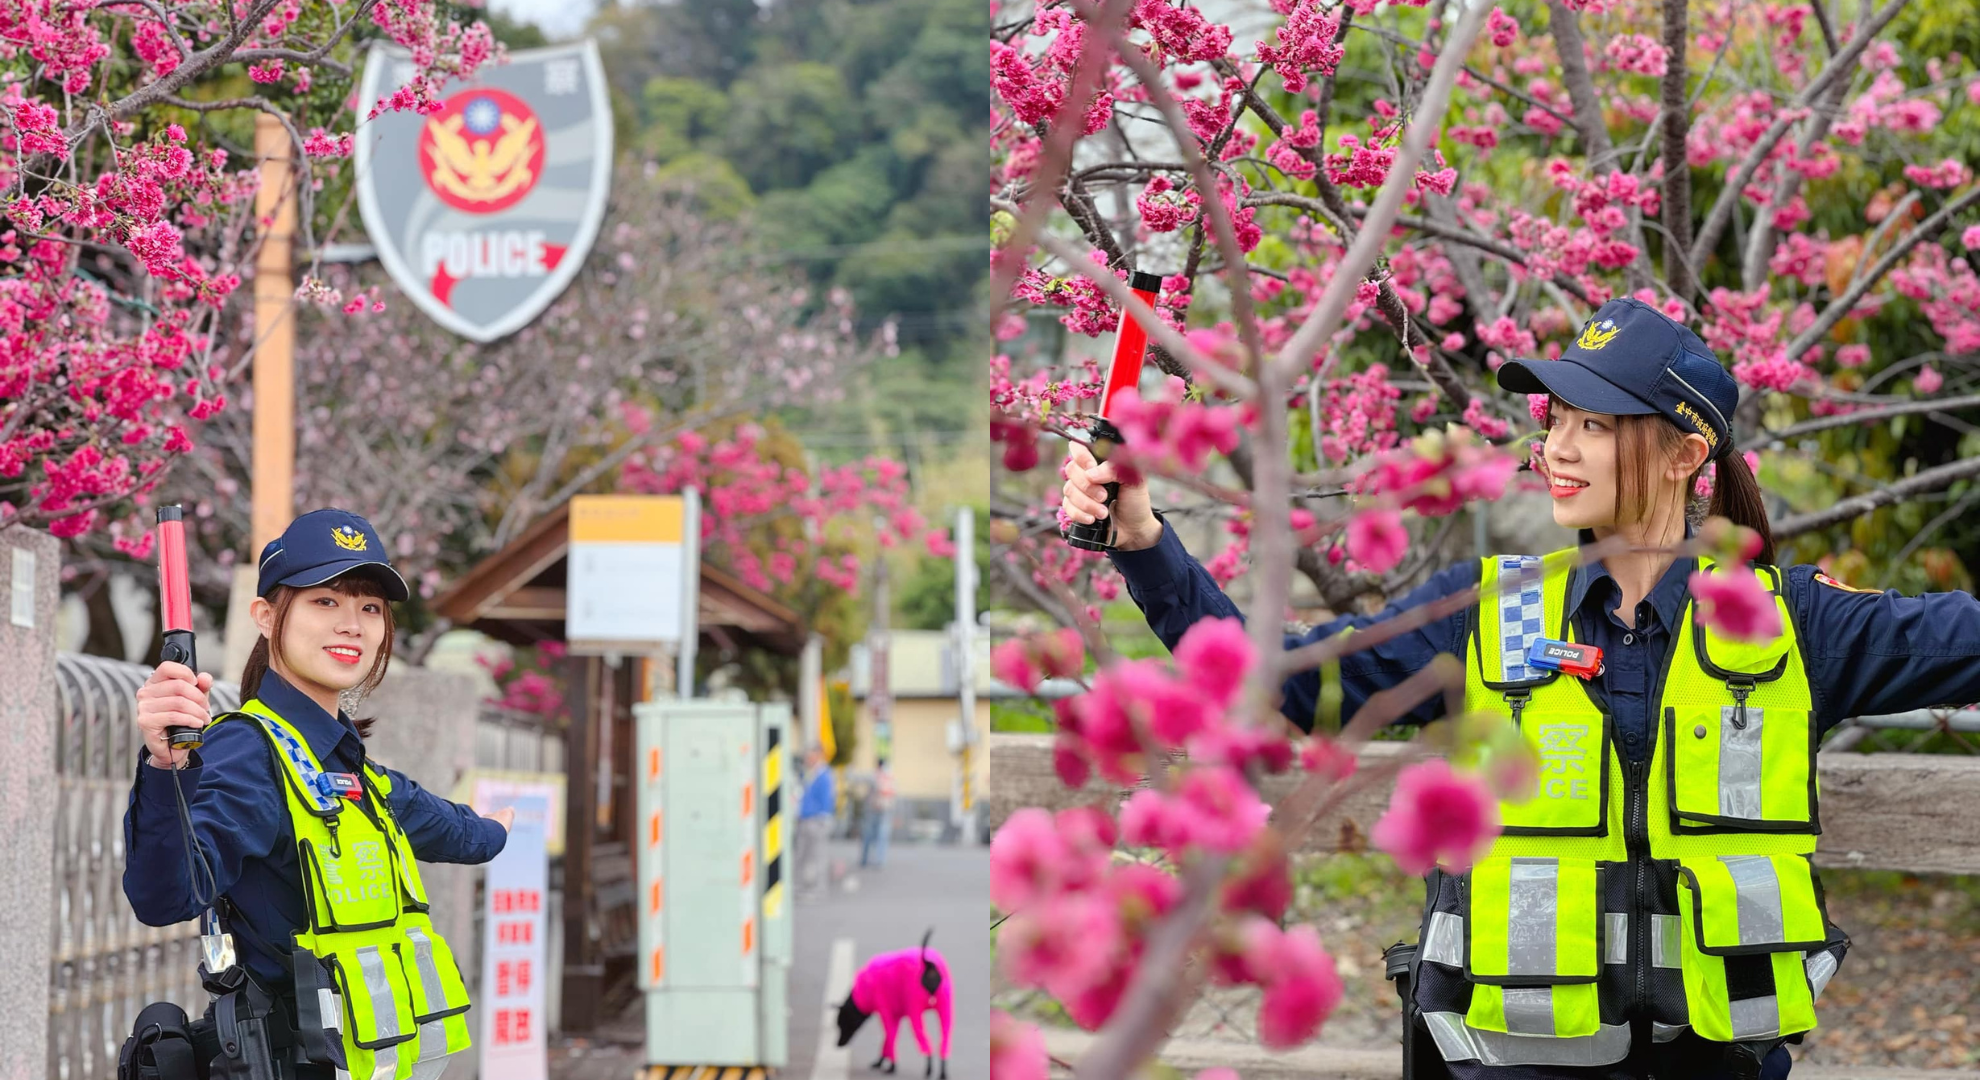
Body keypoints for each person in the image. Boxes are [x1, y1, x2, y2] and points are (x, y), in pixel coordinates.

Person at [1060, 298, 1980, 1080]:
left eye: (1592, 423)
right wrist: (1147, 545)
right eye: (1553, 422)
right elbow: (1280, 685)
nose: (1556, 449)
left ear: (1683, 453)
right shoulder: (1482, 613)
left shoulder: (1801, 624)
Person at [126, 508, 513, 1080]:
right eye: (324, 601)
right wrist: (165, 765)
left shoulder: (347, 765)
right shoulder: (246, 751)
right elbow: (166, 897)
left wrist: (494, 830)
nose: (352, 624)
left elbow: (437, 822)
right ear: (265, 615)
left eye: (370, 607)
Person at [798, 745, 837, 900]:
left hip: (818, 820)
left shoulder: (824, 775)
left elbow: (827, 800)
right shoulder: (809, 773)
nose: (808, 759)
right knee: (804, 856)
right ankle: (805, 887)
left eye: (810, 756)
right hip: (806, 818)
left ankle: (819, 889)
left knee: (818, 856)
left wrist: (823, 820)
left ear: (818, 756)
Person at [861, 758, 896, 868]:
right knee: (882, 836)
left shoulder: (874, 776)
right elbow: (894, 794)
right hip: (886, 810)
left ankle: (865, 859)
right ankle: (880, 860)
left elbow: (861, 779)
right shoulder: (890, 776)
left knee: (869, 835)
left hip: (873, 810)